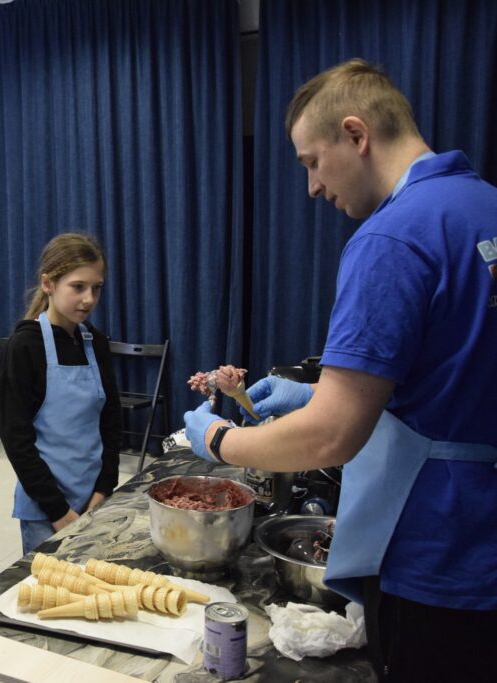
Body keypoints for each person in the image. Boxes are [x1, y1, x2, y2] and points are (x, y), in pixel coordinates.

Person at [183, 59, 497, 682]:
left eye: (311, 162)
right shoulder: (483, 206)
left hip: (439, 557)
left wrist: (219, 440)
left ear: (356, 134)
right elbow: (452, 375)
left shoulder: (392, 239)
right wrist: (314, 392)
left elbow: (331, 437)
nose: (312, 187)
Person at [0, 233, 122, 555]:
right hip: (46, 509)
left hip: (93, 499)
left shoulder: (95, 343)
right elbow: (16, 438)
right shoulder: (24, 347)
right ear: (48, 284)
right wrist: (59, 512)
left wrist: (103, 489)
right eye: (78, 287)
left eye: (96, 288)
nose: (89, 299)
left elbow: (111, 422)